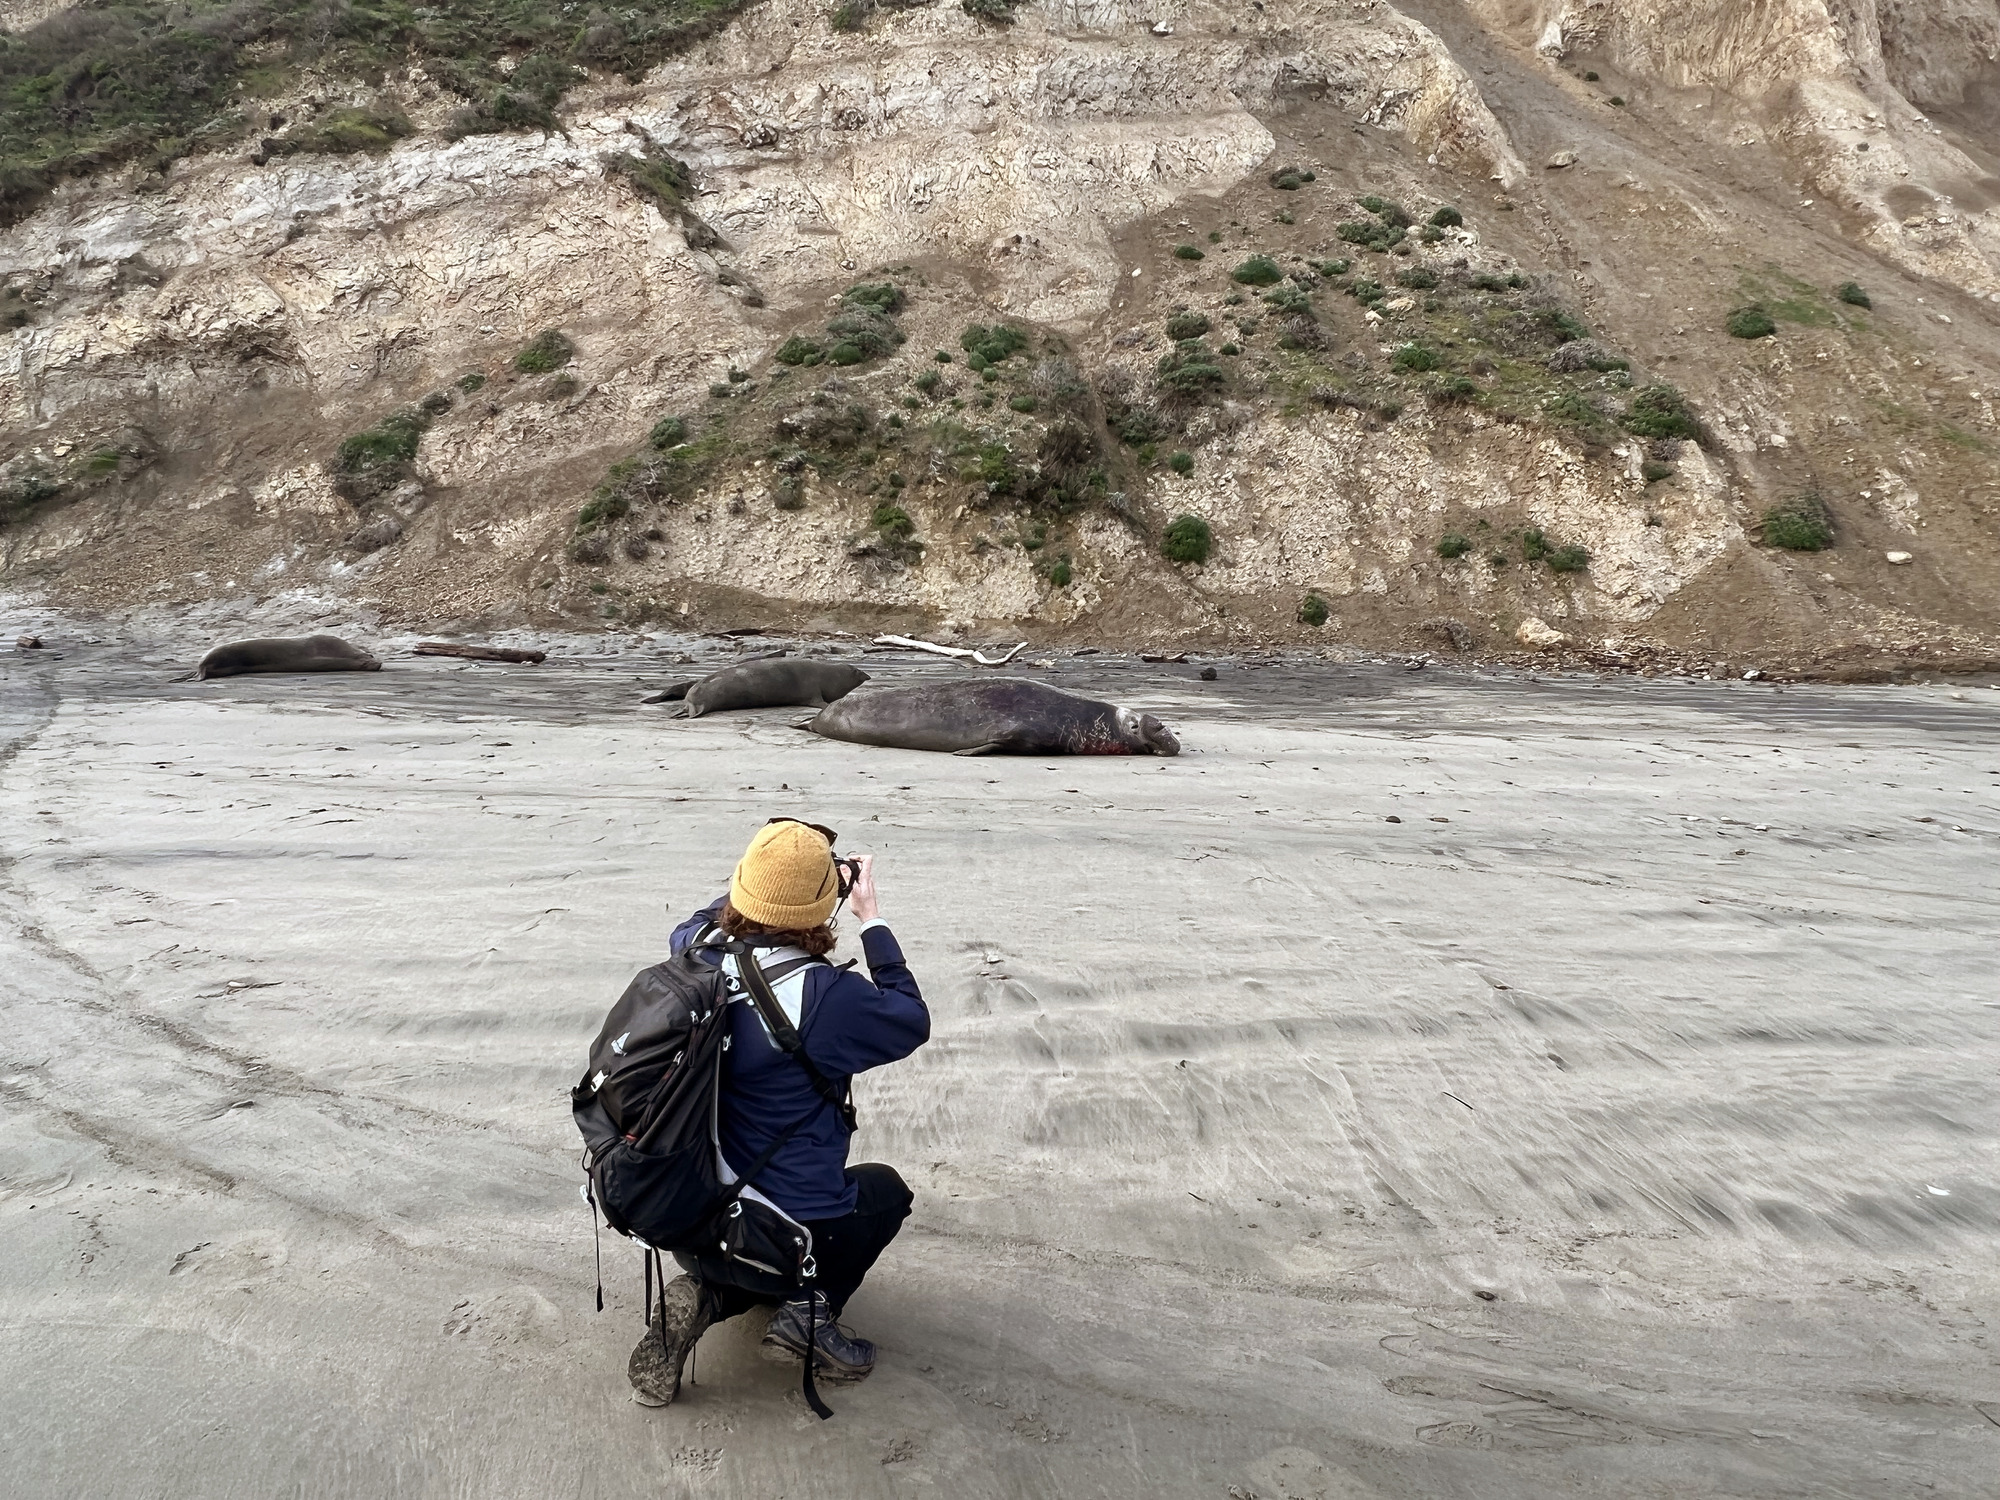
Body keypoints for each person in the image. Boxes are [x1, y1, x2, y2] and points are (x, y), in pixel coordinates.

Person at [628, 817, 930, 1407]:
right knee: (885, 1193)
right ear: (823, 906)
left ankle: (709, 1297)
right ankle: (805, 1316)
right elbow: (909, 1018)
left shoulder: (694, 949)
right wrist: (872, 917)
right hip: (781, 1228)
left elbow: (712, 916)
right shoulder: (824, 997)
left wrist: (770, 879)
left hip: (683, 1208)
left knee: (751, 1237)